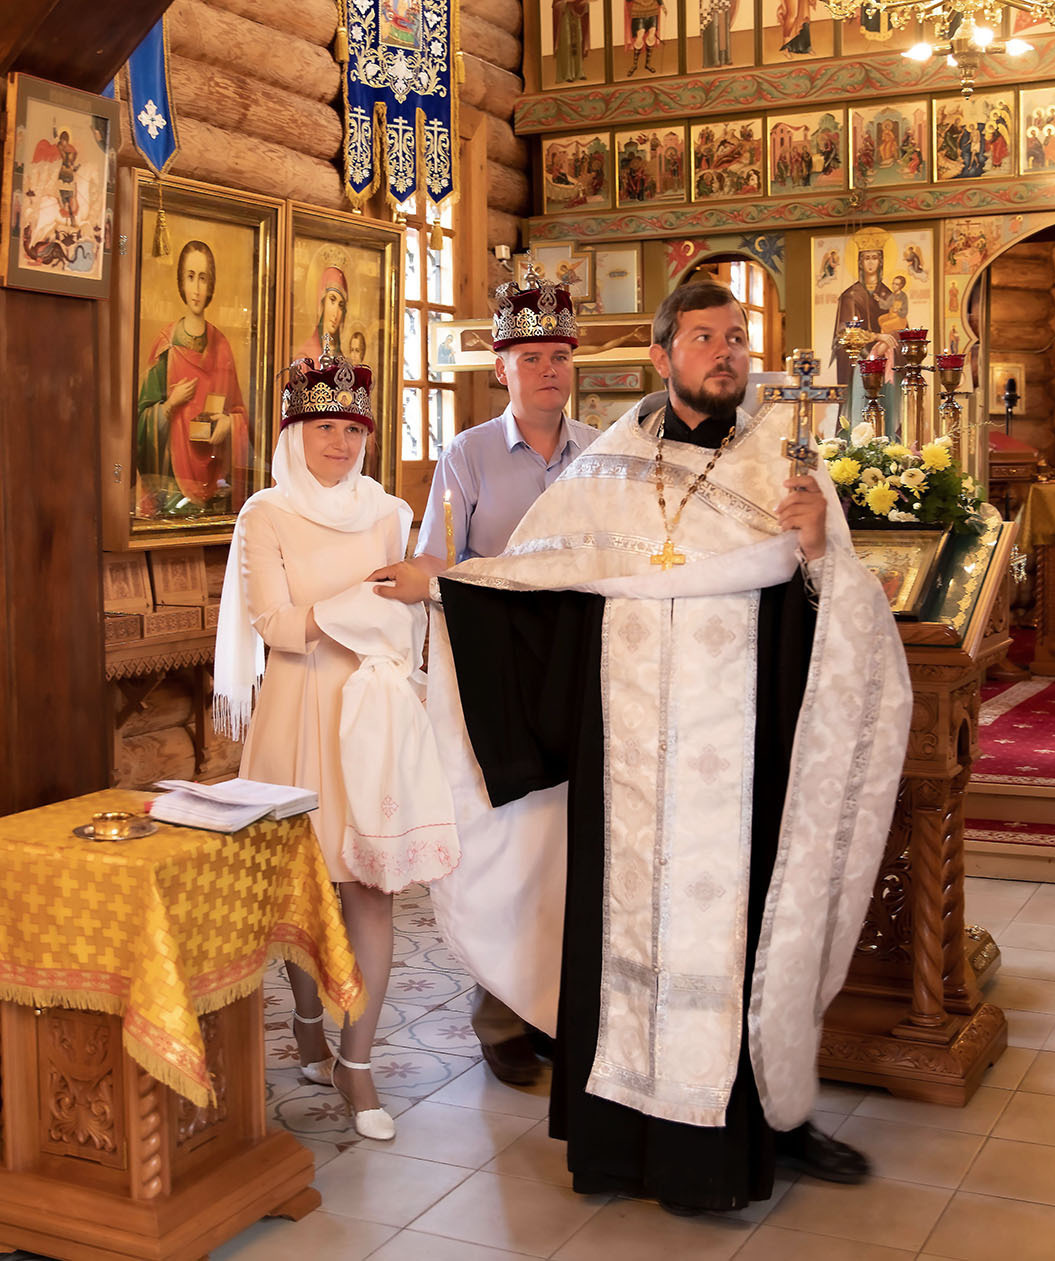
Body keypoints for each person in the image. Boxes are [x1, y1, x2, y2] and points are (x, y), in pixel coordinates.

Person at [411, 280, 911, 1214]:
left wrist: (815, 555)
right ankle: (618, 1148)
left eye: (737, 337)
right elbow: (536, 593)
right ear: (661, 356)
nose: (726, 352)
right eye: (704, 337)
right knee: (617, 942)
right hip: (626, 769)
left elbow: (846, 632)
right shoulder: (606, 470)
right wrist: (447, 592)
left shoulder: (789, 471)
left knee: (740, 944)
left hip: (743, 770)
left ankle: (734, 1146)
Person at [214, 348, 457, 1141]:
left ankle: (357, 1065)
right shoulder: (266, 515)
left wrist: (380, 612)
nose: (342, 444)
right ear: (294, 433)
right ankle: (309, 1023)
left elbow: (414, 616)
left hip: (372, 717)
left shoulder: (390, 512)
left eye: (354, 429)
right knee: (302, 890)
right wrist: (357, 605)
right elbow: (278, 628)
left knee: (370, 889)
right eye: (325, 427)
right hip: (297, 715)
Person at [370, 262, 597, 1088]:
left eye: (560, 357)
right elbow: (437, 562)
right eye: (531, 357)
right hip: (497, 674)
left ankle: (560, 1006)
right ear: (501, 367)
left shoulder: (602, 455)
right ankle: (500, 1012)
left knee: (572, 840)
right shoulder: (465, 456)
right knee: (505, 838)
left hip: (576, 669)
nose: (548, 370)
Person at [135, 239, 250, 517]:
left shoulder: (221, 346)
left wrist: (229, 424)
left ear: (211, 285)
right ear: (181, 283)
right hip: (172, 484)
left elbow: (239, 413)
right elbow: (140, 424)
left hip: (215, 483)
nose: (197, 289)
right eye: (190, 277)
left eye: (203, 278)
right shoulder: (166, 347)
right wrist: (169, 406)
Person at [830, 241, 892, 386]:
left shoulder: (888, 294)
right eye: (866, 258)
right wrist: (877, 337)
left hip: (884, 356)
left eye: (874, 258)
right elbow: (845, 334)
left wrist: (886, 343)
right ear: (860, 262)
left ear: (880, 261)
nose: (871, 263)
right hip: (859, 358)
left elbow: (899, 327)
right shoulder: (850, 295)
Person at [298, 265, 349, 363]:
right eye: (332, 300)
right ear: (322, 303)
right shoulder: (305, 359)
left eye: (341, 305)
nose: (336, 313)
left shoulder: (342, 360)